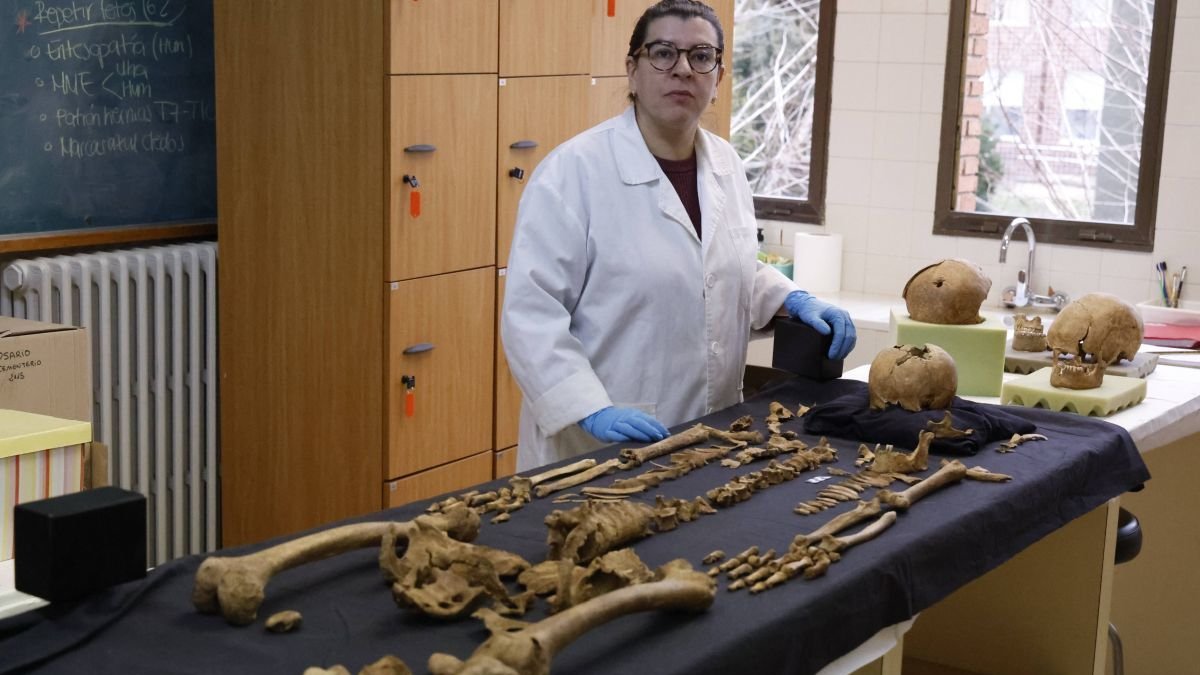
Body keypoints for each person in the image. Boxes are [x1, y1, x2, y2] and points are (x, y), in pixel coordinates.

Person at [501, 0, 856, 471]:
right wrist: (588, 408)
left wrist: (791, 300)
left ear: (718, 78)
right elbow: (532, 313)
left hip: (709, 433)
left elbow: (719, 269)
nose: (683, 70)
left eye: (701, 56)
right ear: (632, 70)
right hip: (597, 450)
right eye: (664, 53)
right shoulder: (573, 173)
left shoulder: (727, 166)